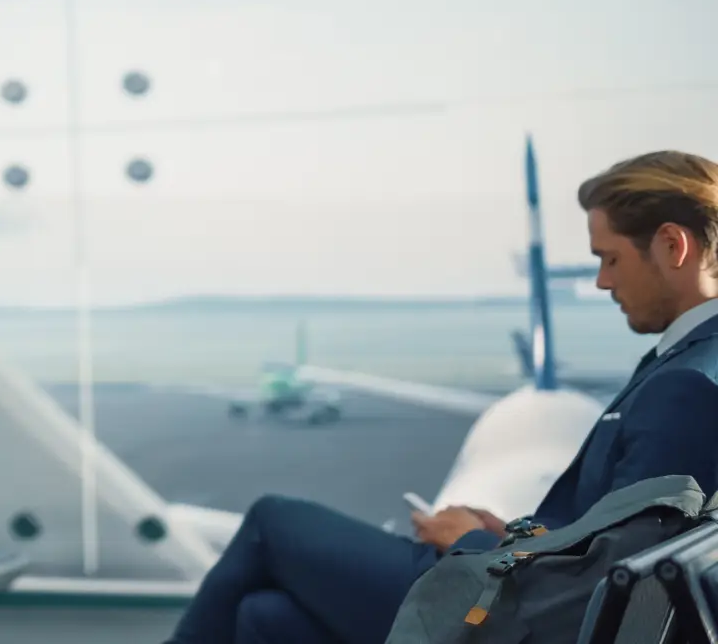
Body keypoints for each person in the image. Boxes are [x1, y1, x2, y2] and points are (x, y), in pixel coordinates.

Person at [167, 150, 718, 644]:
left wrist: (476, 543)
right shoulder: (697, 364)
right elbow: (622, 547)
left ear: (672, 246)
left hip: (506, 610)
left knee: (272, 522)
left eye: (611, 259)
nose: (601, 281)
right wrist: (512, 532)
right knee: (264, 617)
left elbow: (599, 587)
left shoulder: (685, 387)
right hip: (526, 590)